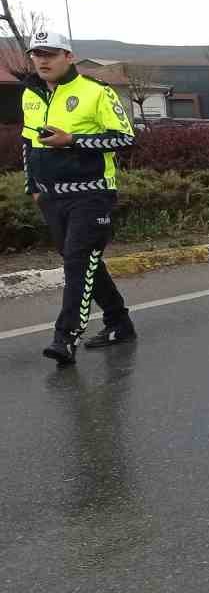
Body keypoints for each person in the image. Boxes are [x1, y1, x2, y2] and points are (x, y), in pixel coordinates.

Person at [21, 31, 138, 366]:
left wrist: (73, 140)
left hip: (92, 193)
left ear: (68, 56)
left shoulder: (95, 91)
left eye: (51, 53)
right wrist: (32, 185)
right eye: (36, 54)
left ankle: (66, 338)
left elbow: (124, 138)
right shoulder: (31, 93)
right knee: (85, 262)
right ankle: (119, 323)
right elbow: (29, 142)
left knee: (76, 261)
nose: (42, 60)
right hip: (51, 196)